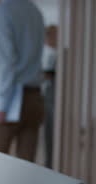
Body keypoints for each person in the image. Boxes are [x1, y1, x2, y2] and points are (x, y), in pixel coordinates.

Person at [0, 0, 45, 173]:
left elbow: (7, 60)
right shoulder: (35, 11)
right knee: (27, 169)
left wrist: (2, 105)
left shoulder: (3, 10)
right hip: (35, 97)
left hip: (12, 99)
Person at [43, 25, 58, 168]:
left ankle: (52, 166)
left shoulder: (61, 56)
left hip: (55, 103)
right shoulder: (51, 55)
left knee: (53, 139)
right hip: (49, 100)